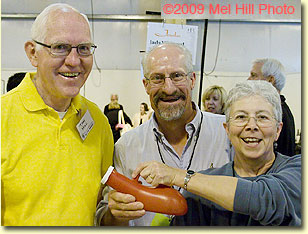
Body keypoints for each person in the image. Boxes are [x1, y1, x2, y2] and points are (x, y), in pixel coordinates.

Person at [96, 42, 233, 226]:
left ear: (192, 80)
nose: (168, 88)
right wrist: (116, 214)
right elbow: (107, 222)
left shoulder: (227, 133)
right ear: (146, 85)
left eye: (177, 76)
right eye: (157, 78)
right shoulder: (126, 147)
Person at [1, 3, 114, 226]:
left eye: (83, 48)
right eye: (60, 47)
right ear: (33, 53)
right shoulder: (3, 117)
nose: (73, 61)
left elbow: (102, 204)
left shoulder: (97, 122)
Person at [132, 80, 301, 226]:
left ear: (278, 130)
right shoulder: (197, 191)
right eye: (241, 117)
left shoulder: (298, 170)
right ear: (227, 130)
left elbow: (263, 198)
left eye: (262, 117)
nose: (251, 125)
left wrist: (178, 176)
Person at [248, 58, 295, 156]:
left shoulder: (276, 112)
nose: (248, 80)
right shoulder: (282, 109)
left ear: (270, 80)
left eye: (253, 75)